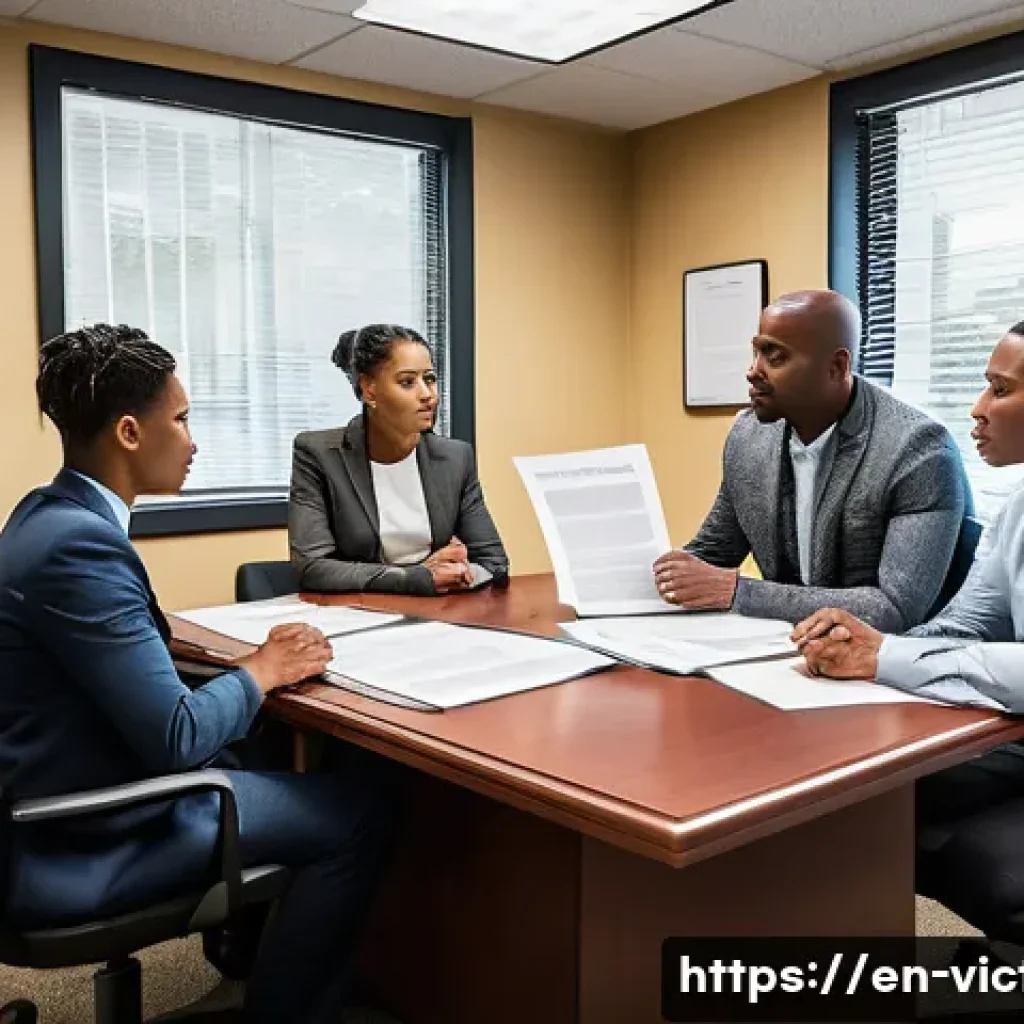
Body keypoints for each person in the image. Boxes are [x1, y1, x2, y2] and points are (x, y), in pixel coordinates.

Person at [0, 324, 393, 1024]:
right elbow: (177, 738)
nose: (192, 440)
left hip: (47, 796)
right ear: (129, 432)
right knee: (359, 814)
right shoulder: (79, 548)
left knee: (265, 752)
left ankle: (242, 958)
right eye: (180, 420)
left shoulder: (45, 514)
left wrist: (241, 678)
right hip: (85, 838)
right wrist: (261, 669)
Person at [793, 320, 1024, 947]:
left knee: (988, 864)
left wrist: (888, 656)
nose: (977, 409)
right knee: (859, 793)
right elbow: (967, 622)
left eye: (1000, 390)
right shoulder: (1017, 506)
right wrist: (864, 649)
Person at [653, 289, 971, 630]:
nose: (753, 371)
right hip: (784, 647)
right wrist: (640, 572)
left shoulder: (918, 450)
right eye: (756, 352)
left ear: (837, 366)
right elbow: (711, 557)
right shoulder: (748, 438)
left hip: (892, 658)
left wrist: (739, 593)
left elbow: (894, 609)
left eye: (775, 357)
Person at [289, 324, 509, 595]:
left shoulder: (455, 458)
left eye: (429, 379)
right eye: (407, 382)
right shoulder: (319, 454)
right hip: (359, 611)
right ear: (369, 390)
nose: (427, 395)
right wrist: (415, 578)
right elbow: (312, 568)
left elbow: (494, 563)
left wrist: (459, 572)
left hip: (437, 609)